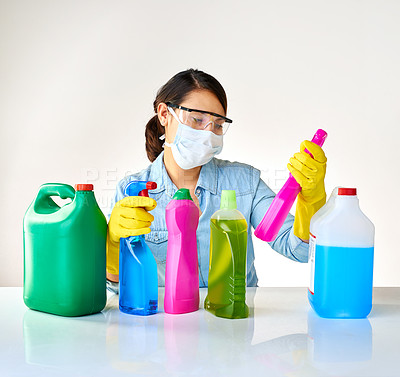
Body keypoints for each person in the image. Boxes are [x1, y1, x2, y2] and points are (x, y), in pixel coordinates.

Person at [106, 69, 326, 291]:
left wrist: (312, 198)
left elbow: (300, 250)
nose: (208, 133)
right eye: (197, 119)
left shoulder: (245, 183)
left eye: (218, 125)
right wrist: (112, 244)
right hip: (167, 321)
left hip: (234, 319)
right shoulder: (132, 191)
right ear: (164, 114)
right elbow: (116, 288)